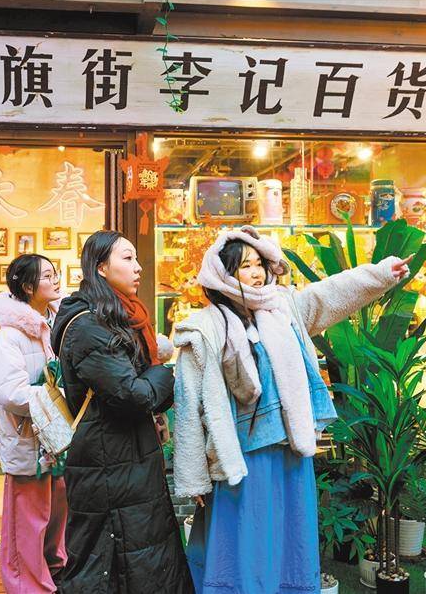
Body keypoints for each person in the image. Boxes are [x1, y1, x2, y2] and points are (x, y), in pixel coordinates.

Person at [173, 226, 409, 594]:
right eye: (244, 266)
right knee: (245, 543)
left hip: (290, 453)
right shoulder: (204, 328)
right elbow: (189, 407)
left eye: (259, 263)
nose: (256, 273)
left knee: (290, 538)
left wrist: (381, 274)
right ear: (222, 274)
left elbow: (329, 294)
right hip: (241, 461)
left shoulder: (283, 309)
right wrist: (194, 479)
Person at [51, 230, 193, 594]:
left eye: (136, 258)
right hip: (108, 466)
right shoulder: (89, 326)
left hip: (125, 459)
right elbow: (134, 395)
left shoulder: (115, 318)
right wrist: (165, 372)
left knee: (139, 558)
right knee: (108, 564)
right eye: (127, 258)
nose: (138, 267)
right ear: (100, 268)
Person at [0, 255, 68, 593]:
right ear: (27, 286)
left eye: (55, 273)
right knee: (28, 521)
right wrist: (58, 396)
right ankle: (28, 585)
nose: (55, 279)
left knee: (57, 515)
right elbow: (9, 391)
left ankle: (55, 572)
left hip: (57, 440)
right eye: (47, 276)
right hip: (28, 441)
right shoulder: (11, 335)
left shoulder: (57, 322)